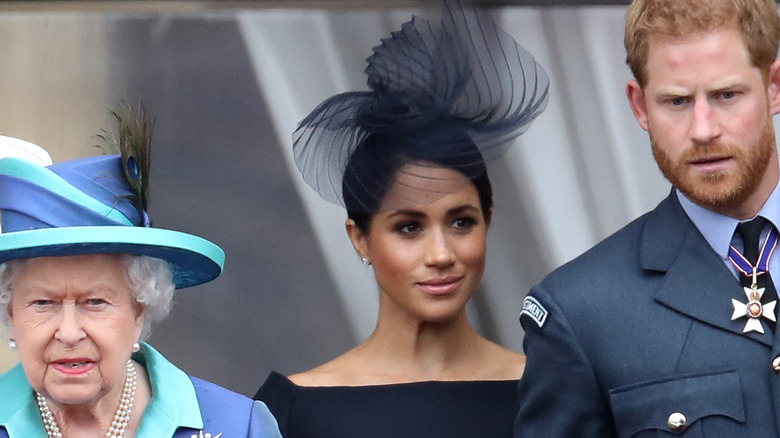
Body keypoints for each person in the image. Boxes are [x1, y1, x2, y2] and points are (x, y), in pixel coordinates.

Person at [253, 1, 549, 437]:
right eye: (409, 227)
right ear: (359, 238)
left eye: (461, 222)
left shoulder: (551, 393)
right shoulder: (293, 410)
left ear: (488, 220)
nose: (442, 253)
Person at [515, 0, 780, 437]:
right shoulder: (580, 311)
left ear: (773, 87)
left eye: (726, 95)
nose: (702, 129)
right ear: (639, 106)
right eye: (676, 101)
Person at [0, 106, 282, 438]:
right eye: (42, 303)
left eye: (95, 301)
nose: (69, 333)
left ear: (138, 311)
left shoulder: (236, 426)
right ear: (10, 313)